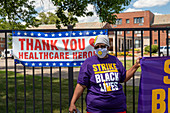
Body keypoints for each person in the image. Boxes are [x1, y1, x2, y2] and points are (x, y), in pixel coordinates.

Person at [69, 35, 142, 113]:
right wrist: (72, 103)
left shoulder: (115, 60)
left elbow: (124, 78)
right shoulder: (88, 63)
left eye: (102, 46)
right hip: (96, 109)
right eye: (97, 46)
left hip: (117, 108)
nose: (100, 49)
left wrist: (135, 66)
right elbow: (81, 85)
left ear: (107, 47)